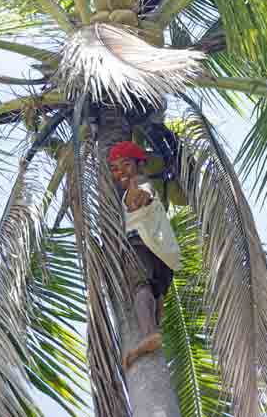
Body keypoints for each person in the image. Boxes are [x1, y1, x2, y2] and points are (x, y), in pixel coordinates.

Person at [108, 141, 180, 370]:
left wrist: (135, 194)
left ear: (140, 165)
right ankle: (155, 316)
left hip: (141, 244)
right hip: (165, 256)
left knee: (139, 287)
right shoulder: (144, 185)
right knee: (153, 292)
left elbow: (142, 193)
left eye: (126, 165)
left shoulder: (140, 183)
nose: (120, 172)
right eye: (115, 168)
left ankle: (149, 334)